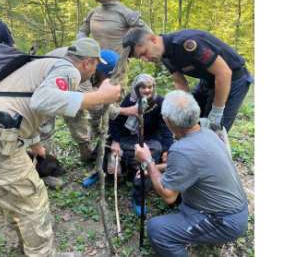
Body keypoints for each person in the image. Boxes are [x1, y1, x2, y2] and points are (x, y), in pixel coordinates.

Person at [0, 37, 121, 256]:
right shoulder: (69, 70)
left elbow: (26, 104)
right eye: (94, 65)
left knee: (14, 202)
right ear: (87, 63)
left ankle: (26, 248)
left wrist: (35, 145)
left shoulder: (46, 64)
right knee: (33, 204)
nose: (93, 71)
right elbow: (41, 101)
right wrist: (100, 96)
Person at [134, 90, 248, 256]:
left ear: (167, 120)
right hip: (236, 209)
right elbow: (192, 164)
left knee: (157, 230)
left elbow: (168, 196)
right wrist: (156, 168)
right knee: (179, 198)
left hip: (225, 221)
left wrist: (148, 161)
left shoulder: (181, 149)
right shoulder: (208, 133)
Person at [77, 0, 154, 151]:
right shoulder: (93, 13)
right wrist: (83, 46)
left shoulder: (125, 13)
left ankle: (112, 141)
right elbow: (82, 32)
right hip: (93, 69)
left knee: (113, 106)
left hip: (116, 71)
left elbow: (147, 35)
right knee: (93, 103)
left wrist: (132, 53)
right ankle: (97, 139)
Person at [123, 28, 253, 133]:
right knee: (188, 120)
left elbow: (224, 73)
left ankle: (213, 158)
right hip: (208, 81)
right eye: (141, 57)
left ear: (153, 39)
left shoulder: (187, 44)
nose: (145, 59)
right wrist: (184, 106)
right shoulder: (164, 55)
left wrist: (217, 112)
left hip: (233, 80)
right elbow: (180, 82)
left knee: (214, 131)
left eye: (144, 52)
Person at [37, 47, 136, 164]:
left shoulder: (92, 59)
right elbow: (94, 105)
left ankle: (86, 151)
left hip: (63, 85)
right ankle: (48, 166)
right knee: (44, 130)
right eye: (108, 77)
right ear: (101, 71)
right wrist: (123, 111)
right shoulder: (80, 71)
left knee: (77, 112)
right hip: (40, 90)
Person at [107, 74, 174, 215]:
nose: (147, 90)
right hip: (129, 138)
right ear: (136, 88)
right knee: (108, 145)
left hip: (149, 140)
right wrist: (116, 141)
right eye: (143, 87)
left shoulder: (159, 102)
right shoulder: (129, 101)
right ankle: (102, 173)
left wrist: (167, 150)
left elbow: (165, 128)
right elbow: (114, 122)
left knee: (152, 155)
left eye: (150, 87)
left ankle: (138, 195)